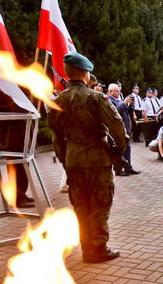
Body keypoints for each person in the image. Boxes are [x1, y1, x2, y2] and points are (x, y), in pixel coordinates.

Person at [48, 52, 127, 264]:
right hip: (97, 158)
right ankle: (99, 248)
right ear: (85, 73)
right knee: (100, 204)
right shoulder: (96, 98)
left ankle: (86, 249)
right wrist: (117, 153)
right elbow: (118, 129)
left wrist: (66, 160)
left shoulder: (58, 101)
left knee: (80, 206)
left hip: (74, 159)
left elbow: (57, 139)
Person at [0, 88, 35, 208]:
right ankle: (17, 198)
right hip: (10, 138)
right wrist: (28, 97)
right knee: (15, 169)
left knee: (23, 168)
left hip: (22, 137)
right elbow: (16, 109)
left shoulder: (15, 92)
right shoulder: (0, 94)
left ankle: (22, 193)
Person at [113, 93, 140, 176]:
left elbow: (128, 111)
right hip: (118, 130)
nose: (118, 93)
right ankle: (118, 169)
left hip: (125, 129)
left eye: (119, 91)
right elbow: (115, 111)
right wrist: (124, 103)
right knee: (118, 151)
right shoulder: (110, 100)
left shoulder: (119, 100)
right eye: (116, 91)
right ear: (110, 91)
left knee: (127, 149)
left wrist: (131, 105)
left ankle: (128, 167)